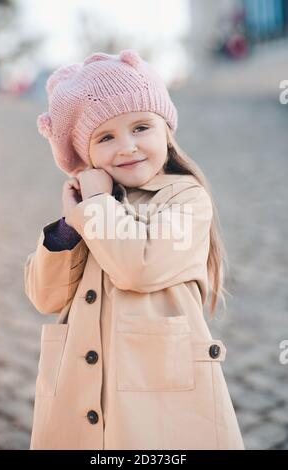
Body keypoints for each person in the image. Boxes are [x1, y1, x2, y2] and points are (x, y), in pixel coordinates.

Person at [24, 49, 244, 450]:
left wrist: (95, 209)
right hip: (79, 400)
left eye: (140, 127)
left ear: (166, 130)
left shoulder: (185, 199)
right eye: (106, 137)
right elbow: (45, 296)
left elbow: (139, 267)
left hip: (158, 408)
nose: (126, 147)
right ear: (84, 156)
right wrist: (67, 231)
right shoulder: (92, 209)